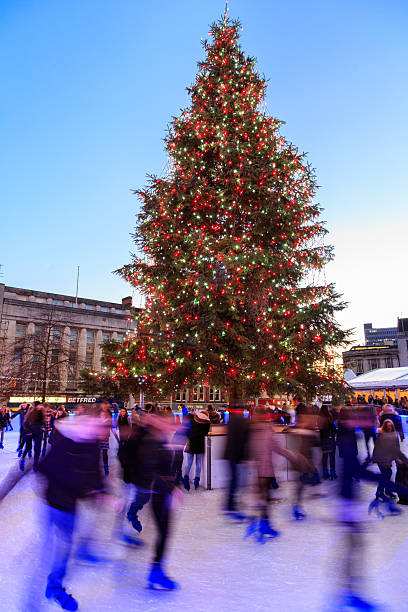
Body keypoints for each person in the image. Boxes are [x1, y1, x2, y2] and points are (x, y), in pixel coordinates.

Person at [38, 403, 108, 610]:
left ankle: (55, 586)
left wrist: (100, 490)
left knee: (65, 546)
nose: (104, 430)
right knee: (53, 552)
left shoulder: (92, 442)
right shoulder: (66, 438)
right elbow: (45, 468)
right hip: (54, 503)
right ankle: (45, 594)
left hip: (71, 503)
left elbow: (94, 472)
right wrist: (85, 489)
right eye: (101, 424)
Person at [223, 404, 250, 518]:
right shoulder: (242, 422)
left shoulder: (231, 421)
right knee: (236, 480)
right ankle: (230, 505)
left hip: (230, 454)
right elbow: (242, 440)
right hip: (236, 455)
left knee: (234, 480)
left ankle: (230, 503)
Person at [372, 419, 408, 502]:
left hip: (386, 458)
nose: (389, 428)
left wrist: (397, 458)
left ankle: (387, 490)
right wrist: (396, 458)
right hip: (380, 458)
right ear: (384, 426)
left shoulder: (394, 435)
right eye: (387, 426)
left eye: (390, 426)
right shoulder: (382, 435)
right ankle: (379, 492)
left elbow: (396, 447)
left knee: (389, 473)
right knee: (385, 475)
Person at [183, 410, 210, 490]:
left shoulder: (193, 419)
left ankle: (185, 478)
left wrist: (191, 413)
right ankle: (196, 481)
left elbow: (186, 425)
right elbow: (206, 433)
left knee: (189, 463)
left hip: (191, 442)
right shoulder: (207, 423)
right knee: (198, 463)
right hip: (200, 443)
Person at [20, 402, 44, 472]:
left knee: (38, 449)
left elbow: (42, 423)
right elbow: (25, 424)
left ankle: (35, 464)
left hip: (38, 433)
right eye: (39, 405)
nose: (41, 406)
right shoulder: (30, 413)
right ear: (36, 406)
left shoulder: (42, 413)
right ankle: (23, 459)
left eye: (41, 405)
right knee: (28, 447)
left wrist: (44, 428)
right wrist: (29, 431)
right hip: (29, 433)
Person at [319, 404, 337, 479]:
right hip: (330, 440)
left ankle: (325, 472)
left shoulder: (320, 419)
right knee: (332, 456)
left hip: (323, 440)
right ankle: (332, 472)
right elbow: (334, 429)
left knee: (325, 457)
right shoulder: (329, 418)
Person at [98, 401, 112, 475]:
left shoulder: (109, 414)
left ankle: (106, 467)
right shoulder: (98, 413)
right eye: (103, 406)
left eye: (106, 406)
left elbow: (110, 426)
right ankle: (97, 467)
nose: (104, 407)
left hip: (105, 436)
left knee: (104, 452)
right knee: (97, 452)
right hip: (98, 437)